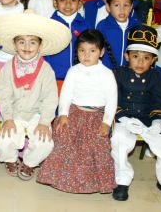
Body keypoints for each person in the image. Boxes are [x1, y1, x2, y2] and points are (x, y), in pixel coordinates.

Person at [0, 11, 71, 181]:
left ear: (40, 46)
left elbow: (50, 98)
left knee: (45, 142)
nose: (27, 46)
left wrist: (44, 122)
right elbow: (3, 95)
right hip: (15, 113)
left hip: (37, 114)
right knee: (3, 139)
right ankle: (11, 159)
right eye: (21, 42)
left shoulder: (46, 69)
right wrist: (9, 118)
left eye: (32, 42)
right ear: (14, 44)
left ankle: (29, 163)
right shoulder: (7, 68)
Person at [38, 29, 117, 193]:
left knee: (96, 144)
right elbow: (65, 95)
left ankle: (94, 183)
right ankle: (60, 178)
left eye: (92, 51)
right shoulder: (73, 71)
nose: (86, 55)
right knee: (64, 137)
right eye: (82, 50)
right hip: (74, 112)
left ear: (101, 52)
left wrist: (106, 123)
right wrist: (63, 115)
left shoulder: (107, 74)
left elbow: (112, 101)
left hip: (97, 115)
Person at [111, 24, 161, 200]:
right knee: (120, 141)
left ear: (153, 60)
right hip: (124, 117)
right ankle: (122, 181)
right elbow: (113, 98)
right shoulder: (118, 74)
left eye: (146, 58)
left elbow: (159, 100)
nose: (140, 61)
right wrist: (123, 119)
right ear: (127, 56)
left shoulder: (155, 76)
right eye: (135, 56)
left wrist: (157, 122)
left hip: (147, 117)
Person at [45, 0, 89, 91]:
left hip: (80, 80)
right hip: (55, 80)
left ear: (79, 3)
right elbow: (44, 53)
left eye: (73, 0)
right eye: (63, 0)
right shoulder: (49, 26)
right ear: (55, 2)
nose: (68, 4)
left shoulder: (86, 26)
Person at [97, 0, 140, 69]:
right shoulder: (102, 26)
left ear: (131, 7)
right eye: (117, 5)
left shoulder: (137, 26)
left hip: (129, 73)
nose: (122, 10)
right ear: (108, 7)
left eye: (126, 5)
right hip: (107, 72)